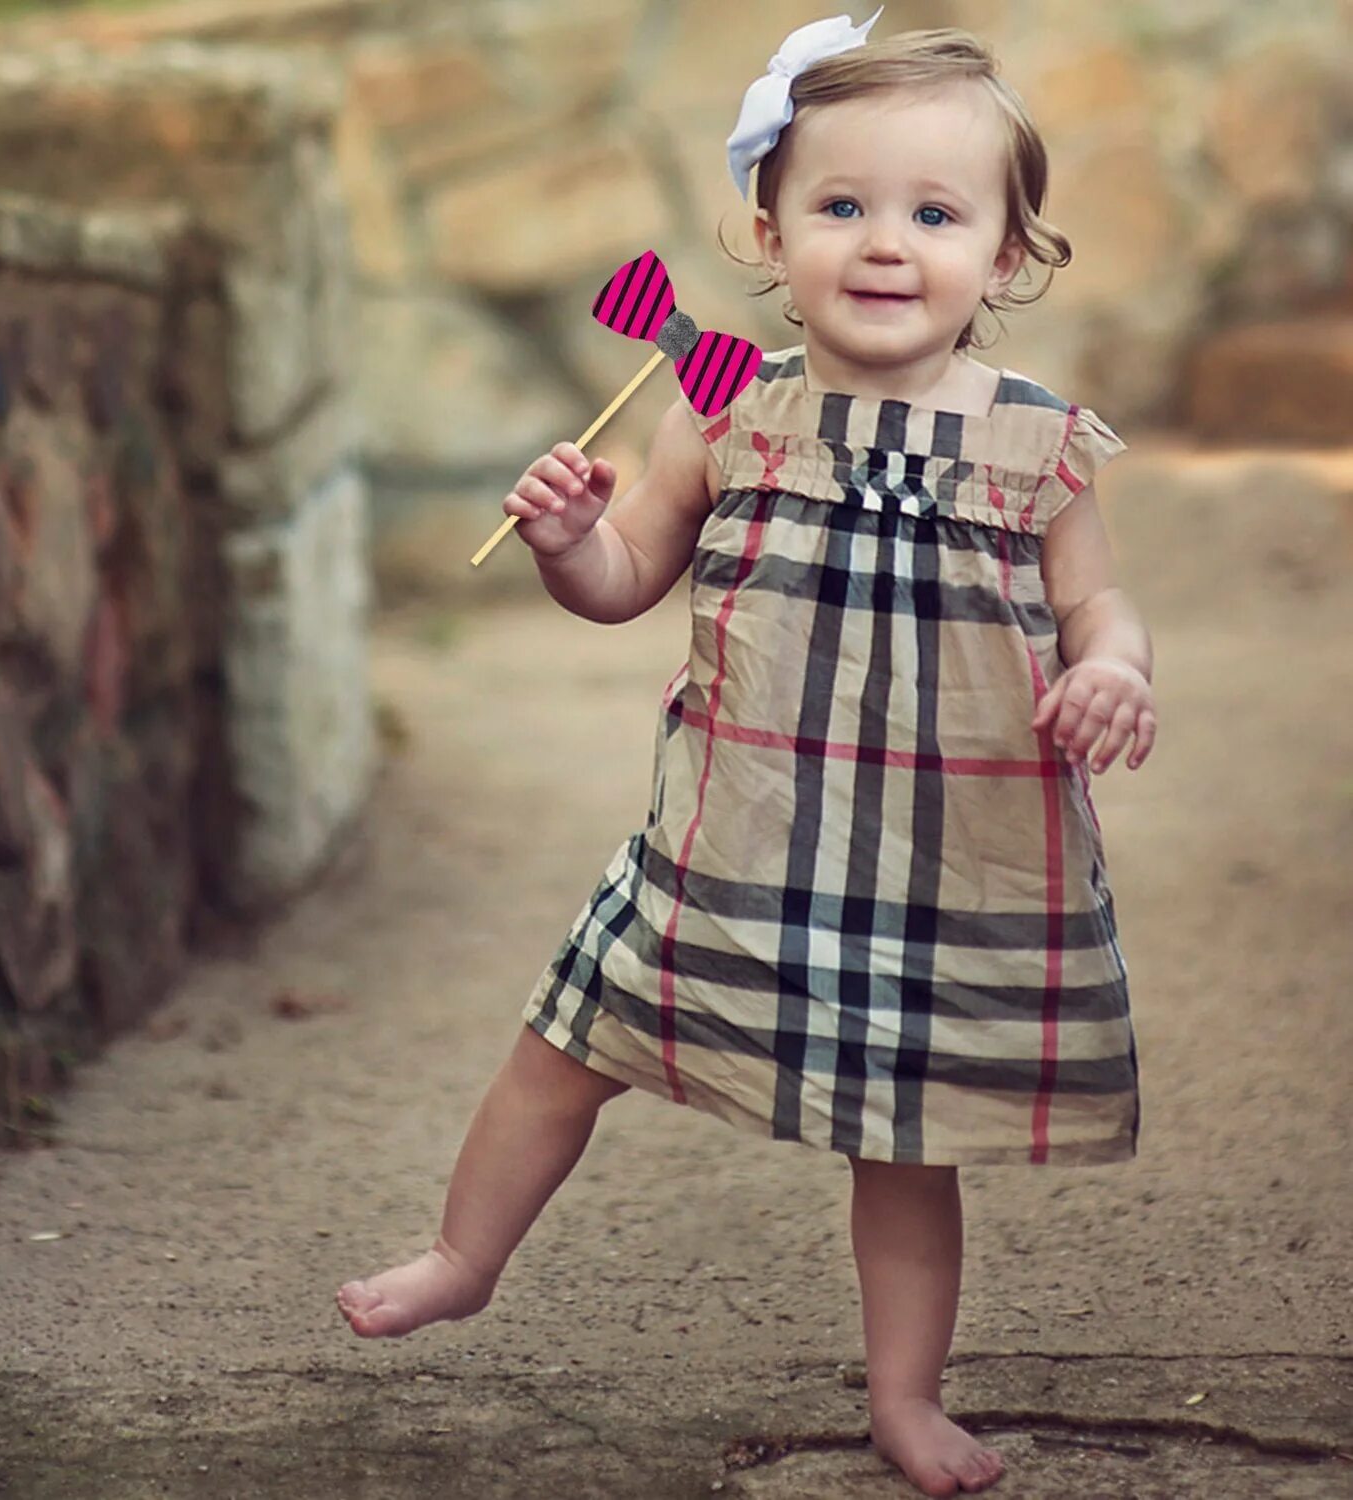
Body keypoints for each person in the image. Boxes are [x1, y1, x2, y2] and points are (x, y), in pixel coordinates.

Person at [338, 14, 1157, 1497]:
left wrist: (1110, 669)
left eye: (935, 213)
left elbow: (1098, 600)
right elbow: (624, 577)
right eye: (841, 207)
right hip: (738, 828)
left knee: (907, 1145)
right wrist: (572, 541)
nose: (886, 243)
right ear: (770, 234)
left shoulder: (1037, 444)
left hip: (941, 854)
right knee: (566, 1045)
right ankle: (465, 1253)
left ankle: (904, 1399)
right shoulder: (726, 412)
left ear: (1009, 255)